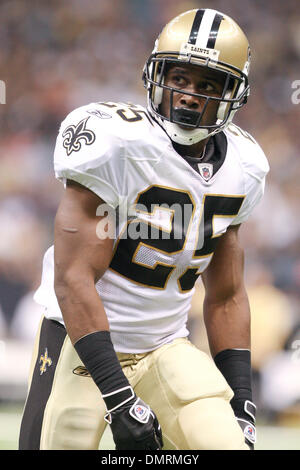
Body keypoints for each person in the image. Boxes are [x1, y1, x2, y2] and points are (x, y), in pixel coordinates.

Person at [19, 8, 269, 450]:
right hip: (82, 344)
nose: (190, 95)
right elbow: (73, 279)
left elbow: (227, 295)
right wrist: (118, 397)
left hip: (164, 345)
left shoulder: (245, 165)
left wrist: (243, 402)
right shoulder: (116, 141)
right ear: (157, 74)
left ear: (234, 94)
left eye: (208, 85)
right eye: (181, 78)